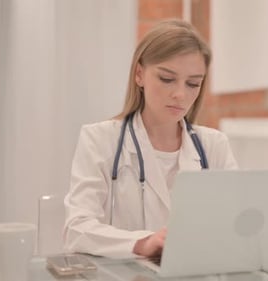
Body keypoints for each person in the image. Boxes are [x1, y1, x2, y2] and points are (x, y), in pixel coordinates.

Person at [63, 19, 238, 259]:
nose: (180, 94)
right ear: (139, 75)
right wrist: (141, 243)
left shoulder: (214, 145)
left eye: (193, 83)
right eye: (167, 79)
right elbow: (76, 229)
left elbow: (236, 224)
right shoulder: (100, 139)